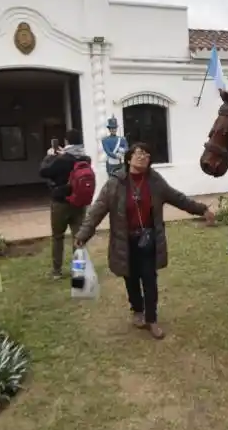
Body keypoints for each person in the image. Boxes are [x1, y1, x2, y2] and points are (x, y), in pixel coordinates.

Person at [75, 142, 215, 339]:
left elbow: (178, 199)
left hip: (148, 240)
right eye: (139, 153)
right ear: (129, 158)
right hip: (125, 241)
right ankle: (137, 310)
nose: (142, 157)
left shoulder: (155, 181)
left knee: (149, 279)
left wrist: (202, 209)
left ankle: (152, 319)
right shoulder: (115, 183)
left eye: (147, 155)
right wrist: (83, 234)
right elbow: (97, 210)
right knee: (130, 278)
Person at [39, 128, 95, 279]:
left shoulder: (62, 160)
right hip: (79, 202)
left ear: (66, 141)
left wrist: (50, 156)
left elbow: (44, 172)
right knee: (78, 237)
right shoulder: (85, 159)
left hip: (61, 202)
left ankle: (57, 271)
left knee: (58, 237)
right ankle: (79, 271)